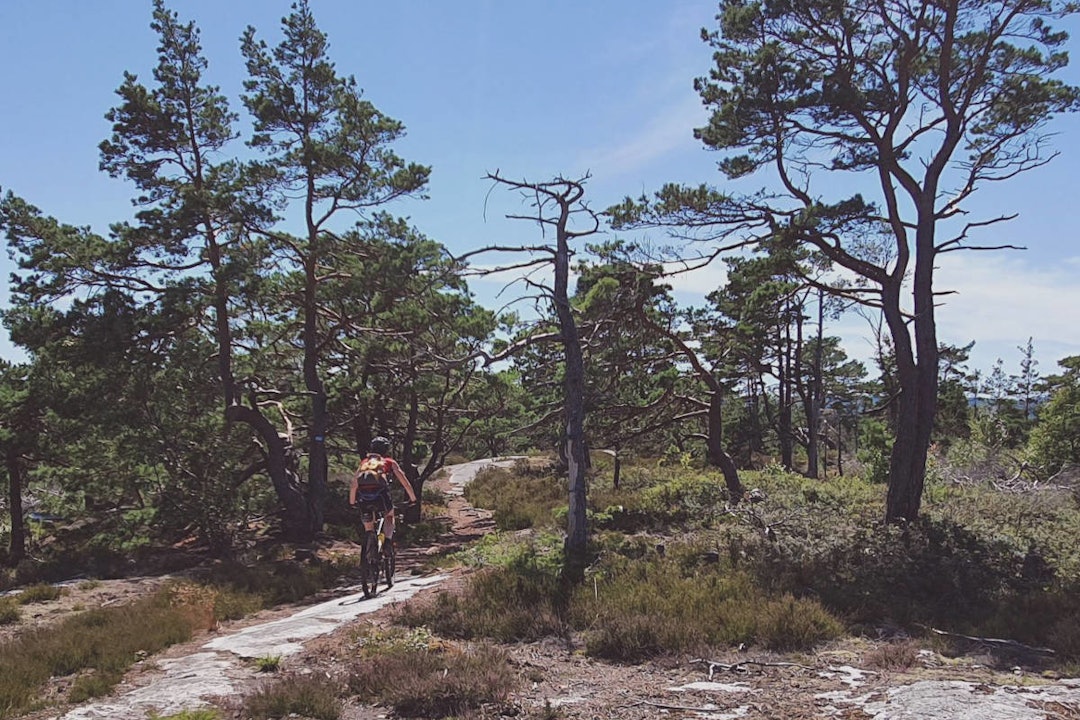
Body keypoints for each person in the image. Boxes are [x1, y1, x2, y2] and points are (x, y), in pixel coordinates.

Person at [349, 436, 417, 546]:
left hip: (364, 496)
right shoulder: (389, 462)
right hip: (381, 495)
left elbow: (353, 485)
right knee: (389, 516)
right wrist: (413, 499)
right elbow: (405, 483)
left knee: (368, 523)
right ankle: (387, 542)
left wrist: (352, 502)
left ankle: (369, 539)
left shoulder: (364, 463)